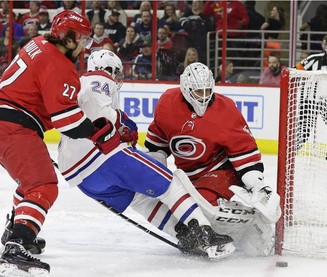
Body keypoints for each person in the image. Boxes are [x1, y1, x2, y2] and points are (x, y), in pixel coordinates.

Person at [57, 49, 236, 260]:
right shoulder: (97, 78)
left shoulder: (78, 88)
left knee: (140, 199)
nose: (116, 77)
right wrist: (121, 122)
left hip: (80, 176)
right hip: (102, 156)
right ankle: (205, 233)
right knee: (169, 182)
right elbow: (102, 114)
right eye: (115, 71)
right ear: (105, 69)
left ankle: (183, 235)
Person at [0, 11, 98, 277]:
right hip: (11, 127)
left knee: (30, 183)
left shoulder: (39, 43)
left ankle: (15, 230)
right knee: (43, 186)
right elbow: (67, 121)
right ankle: (16, 247)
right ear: (68, 37)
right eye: (83, 39)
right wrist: (98, 131)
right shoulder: (60, 64)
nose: (85, 46)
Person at [145, 62, 281, 256]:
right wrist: (154, 169)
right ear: (185, 87)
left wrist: (255, 184)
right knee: (174, 202)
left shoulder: (226, 108)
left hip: (219, 168)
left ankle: (247, 225)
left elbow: (244, 149)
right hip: (188, 175)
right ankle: (196, 234)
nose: (203, 96)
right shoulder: (167, 102)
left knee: (202, 202)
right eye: (197, 91)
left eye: (207, 90)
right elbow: (157, 142)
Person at [295, 35, 327, 150]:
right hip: (309, 100)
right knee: (303, 132)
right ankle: (291, 151)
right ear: (323, 45)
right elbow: (294, 71)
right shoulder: (313, 59)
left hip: (325, 101)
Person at [179, 0, 213, 64]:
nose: (194, 4)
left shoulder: (204, 15)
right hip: (190, 40)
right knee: (190, 58)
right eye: (193, 2)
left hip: (201, 42)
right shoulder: (187, 14)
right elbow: (182, 23)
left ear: (200, 4)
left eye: (196, 2)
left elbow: (209, 27)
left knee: (201, 59)